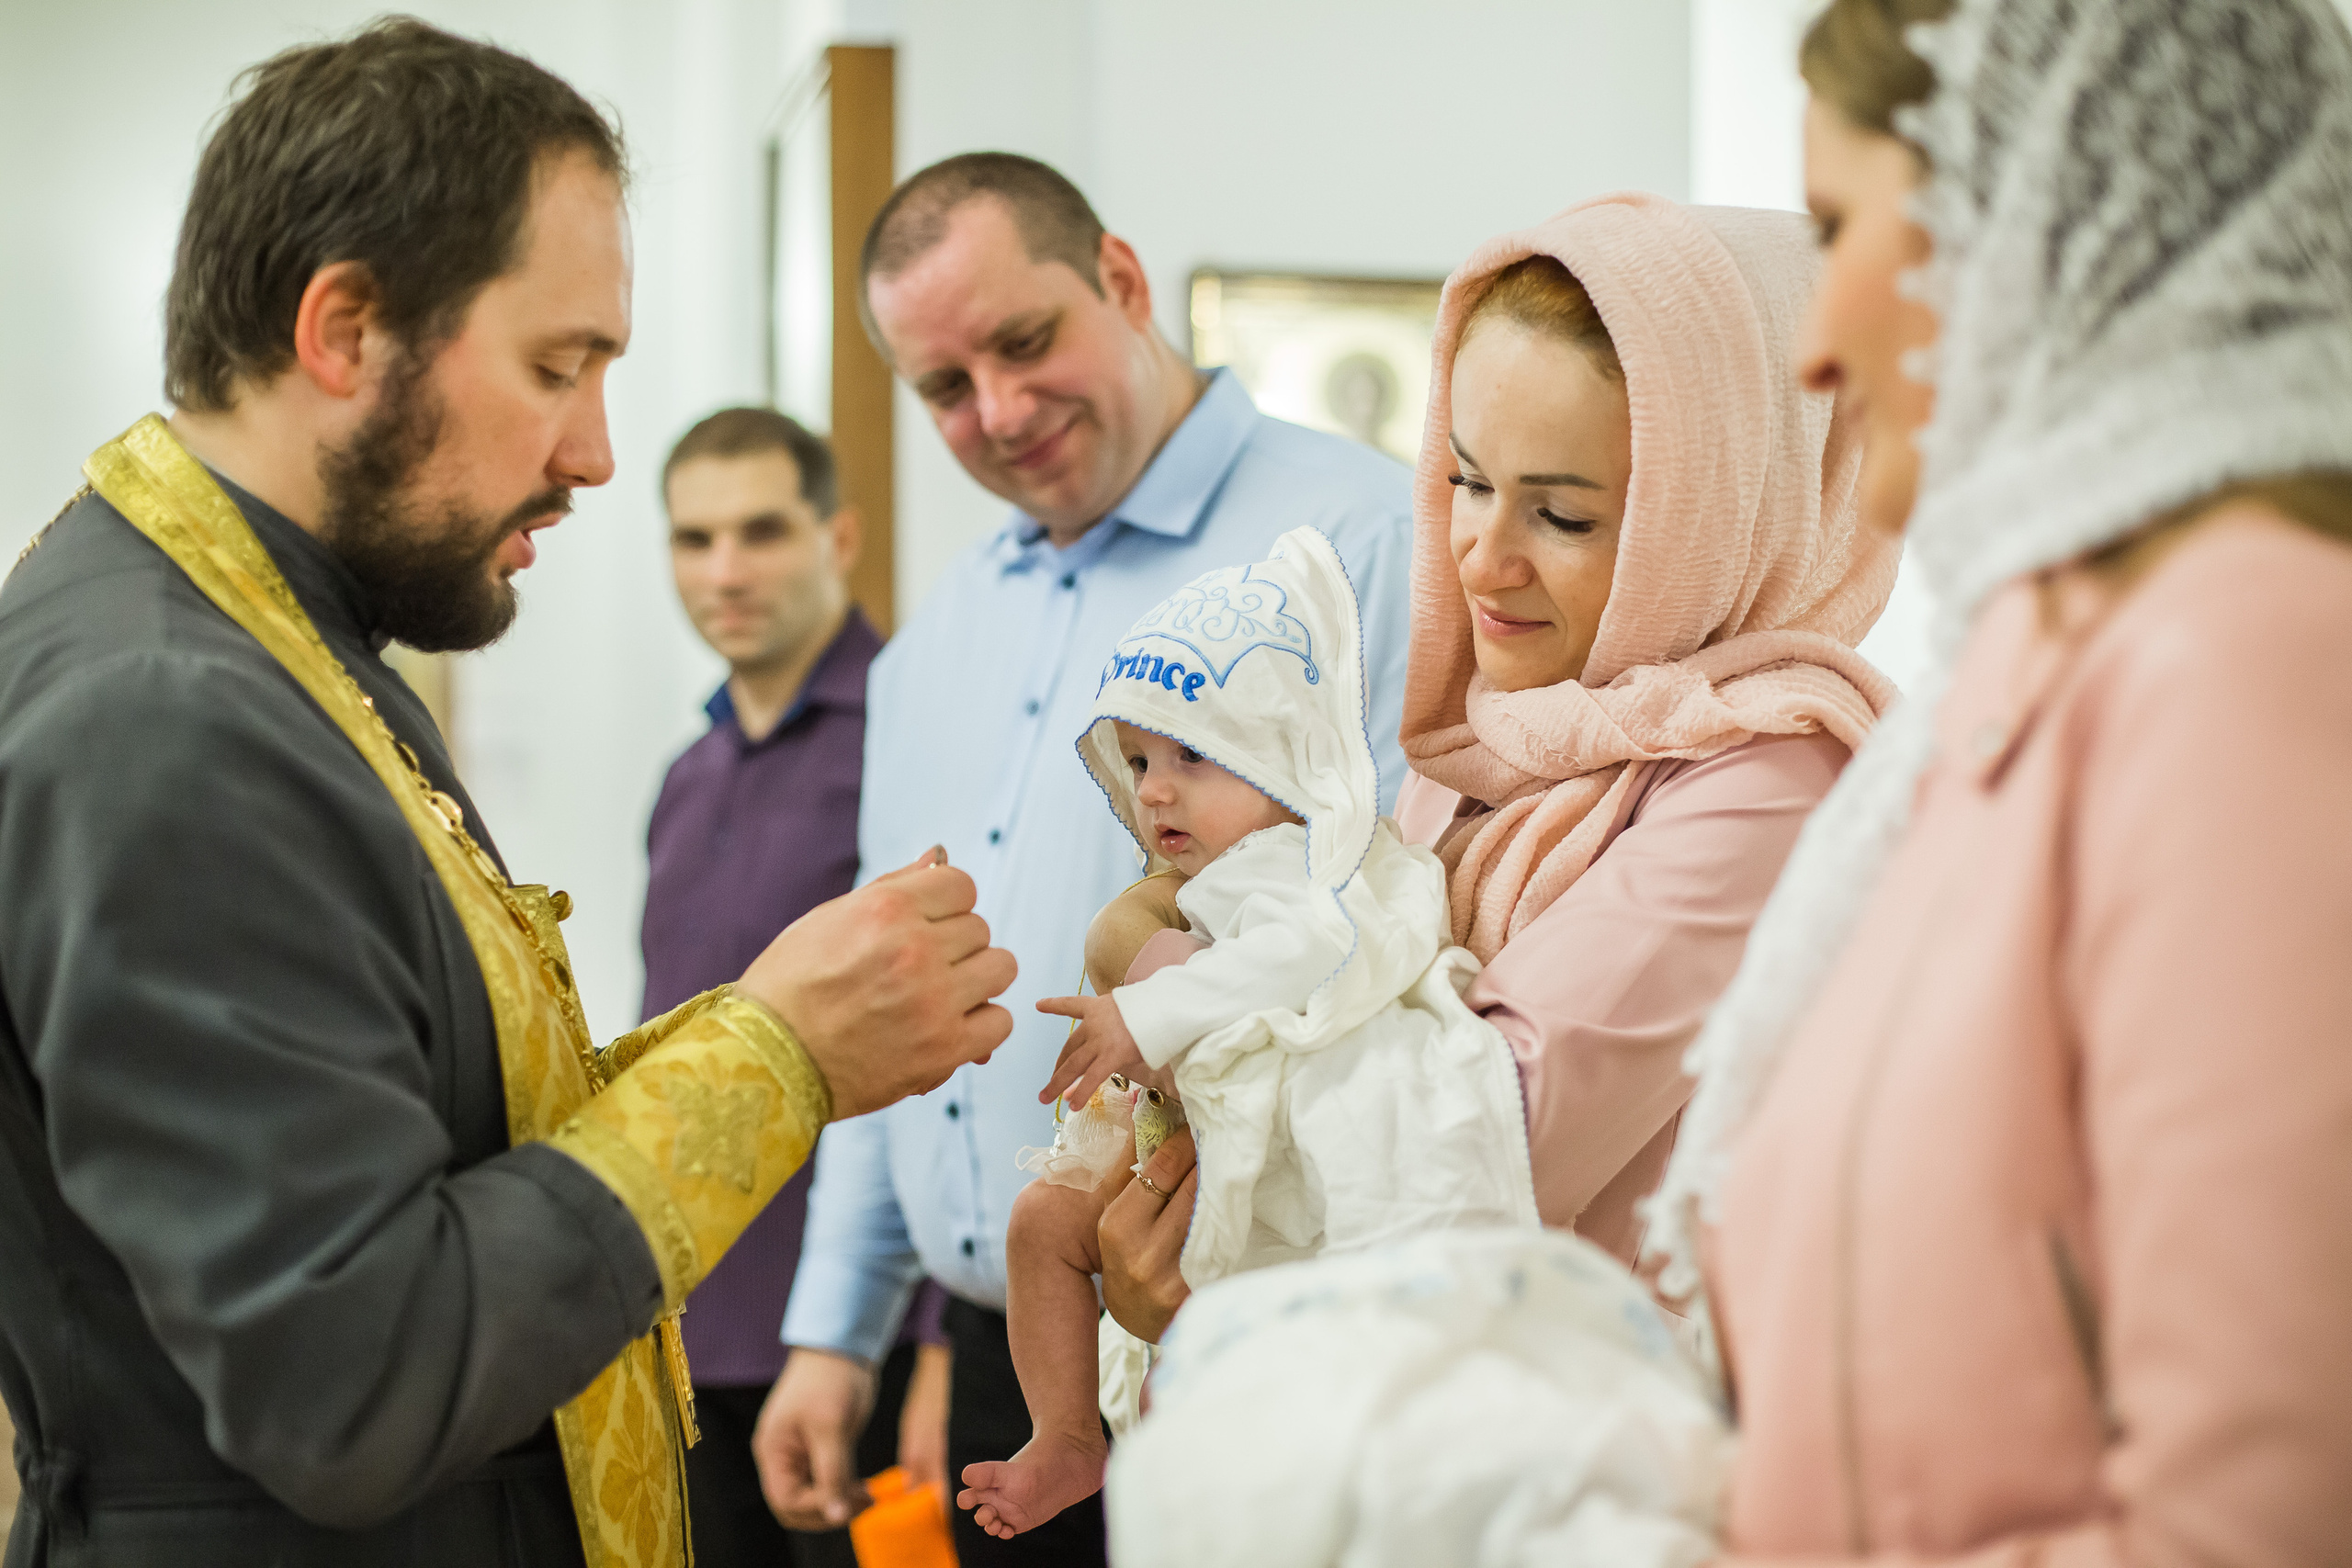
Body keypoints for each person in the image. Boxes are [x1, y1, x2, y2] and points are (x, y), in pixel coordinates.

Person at [0, 23, 1012, 1568]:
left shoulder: (281, 645)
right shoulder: (167, 719)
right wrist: (774, 1057)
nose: (596, 453)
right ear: (344, 329)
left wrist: (778, 1026)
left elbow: (446, 1146)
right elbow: (356, 1374)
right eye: (559, 366)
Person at [1640, 0, 2352, 1559]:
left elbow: (2257, 1522)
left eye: (1843, 228)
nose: (1818, 342)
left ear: (2037, 222)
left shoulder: (2244, 657)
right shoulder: (2005, 680)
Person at [755, 152, 1416, 1566]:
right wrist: (836, 1322)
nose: (996, 409)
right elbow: (890, 986)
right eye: (943, 386)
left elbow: (1411, 929)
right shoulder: (934, 640)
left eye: (1024, 339)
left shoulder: (1360, 540)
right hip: (1010, 1355)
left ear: (1120, 279)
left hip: (1258, 1322)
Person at [1098, 194, 1895, 1346]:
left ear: (1723, 519)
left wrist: (1161, 967)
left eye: (1561, 515)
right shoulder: (1498, 741)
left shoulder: (1771, 781)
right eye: (1468, 480)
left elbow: (1456, 1149)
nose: (1480, 554)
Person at [959, 529, 1535, 1540]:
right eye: (1137, 760)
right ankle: (1064, 1434)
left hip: (1254, 1131)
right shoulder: (1195, 881)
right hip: (1161, 1124)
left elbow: (1305, 956)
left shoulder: (1306, 870)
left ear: (1288, 759)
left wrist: (1143, 1007)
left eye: (1194, 755)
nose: (1156, 789)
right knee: (1039, 1227)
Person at [647, 407, 953, 1564]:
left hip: (851, 1339)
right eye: (694, 539)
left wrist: (938, 1345)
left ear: (839, 537)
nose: (724, 571)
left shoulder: (913, 739)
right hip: (696, 1329)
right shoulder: (687, 777)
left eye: (760, 531)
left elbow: (960, 1043)